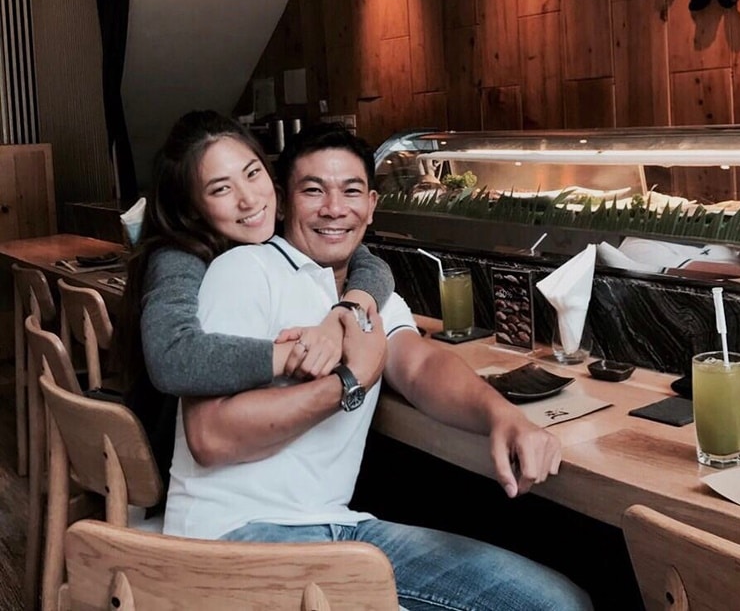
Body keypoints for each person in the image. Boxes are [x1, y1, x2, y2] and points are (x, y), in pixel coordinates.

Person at [163, 122, 593, 611]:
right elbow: (209, 437)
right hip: (229, 541)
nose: (334, 208)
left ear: (370, 206)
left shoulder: (371, 297)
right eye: (313, 191)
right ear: (283, 203)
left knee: (561, 602)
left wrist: (503, 417)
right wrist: (349, 381)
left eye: (350, 192)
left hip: (336, 530)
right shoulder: (245, 271)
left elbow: (421, 365)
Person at [116, 110, 394, 482]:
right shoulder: (177, 256)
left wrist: (345, 310)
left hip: (248, 458)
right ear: (191, 208)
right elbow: (171, 357)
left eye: (252, 173)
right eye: (221, 189)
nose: (248, 200)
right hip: (169, 457)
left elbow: (369, 262)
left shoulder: (265, 227)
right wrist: (297, 354)